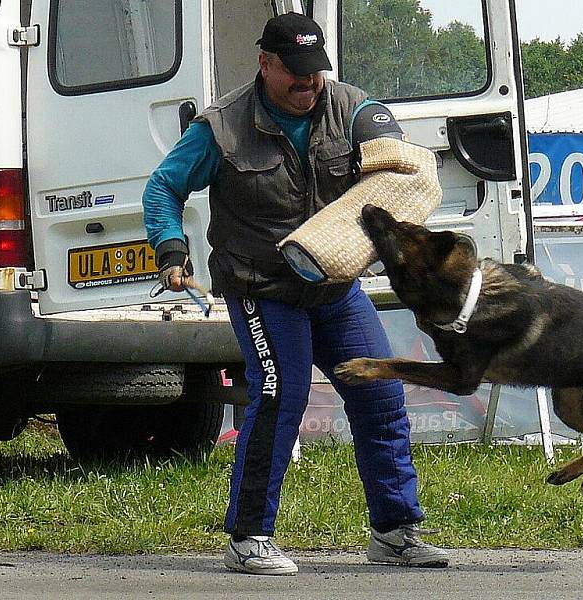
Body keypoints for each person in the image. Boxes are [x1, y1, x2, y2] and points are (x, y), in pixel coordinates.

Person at [142, 12, 449, 576]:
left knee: (381, 395)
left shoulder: (350, 106)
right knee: (281, 395)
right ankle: (249, 537)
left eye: (316, 74)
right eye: (296, 75)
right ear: (265, 64)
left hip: (334, 287)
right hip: (262, 287)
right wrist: (170, 249)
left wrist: (398, 171)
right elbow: (164, 185)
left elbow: (396, 162)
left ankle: (395, 532)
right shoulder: (224, 127)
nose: (309, 86)